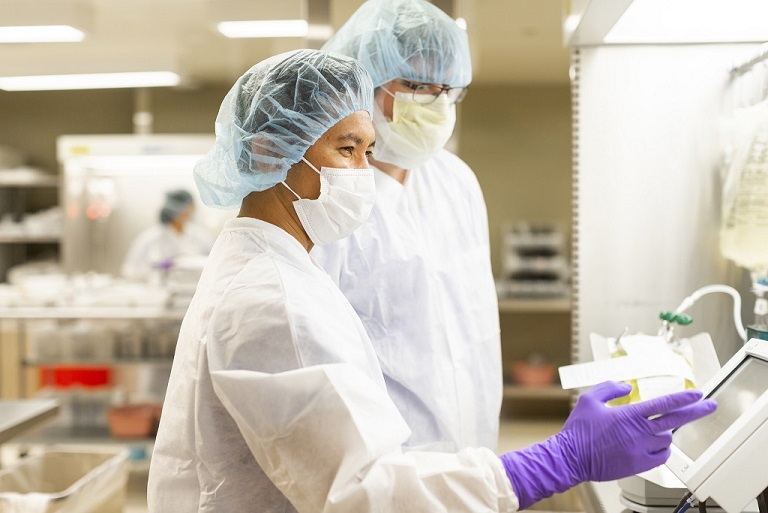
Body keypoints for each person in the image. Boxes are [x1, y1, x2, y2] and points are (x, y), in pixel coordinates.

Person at [146, 48, 717, 513]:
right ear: (272, 150)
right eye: (347, 149)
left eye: (368, 151)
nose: (364, 174)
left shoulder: (279, 262)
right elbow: (363, 492)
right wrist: (558, 460)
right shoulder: (272, 300)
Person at [311, 0, 500, 452]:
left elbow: (473, 323)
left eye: (445, 87)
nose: (434, 101)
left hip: (473, 449)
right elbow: (316, 353)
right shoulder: (330, 193)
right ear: (363, 85)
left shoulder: (457, 181)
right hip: (384, 462)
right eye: (415, 83)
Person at [121, 189, 214, 282]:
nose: (193, 211)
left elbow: (214, 265)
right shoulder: (150, 238)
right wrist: (155, 269)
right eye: (191, 207)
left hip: (194, 292)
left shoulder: (202, 237)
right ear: (179, 209)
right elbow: (129, 270)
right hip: (160, 292)